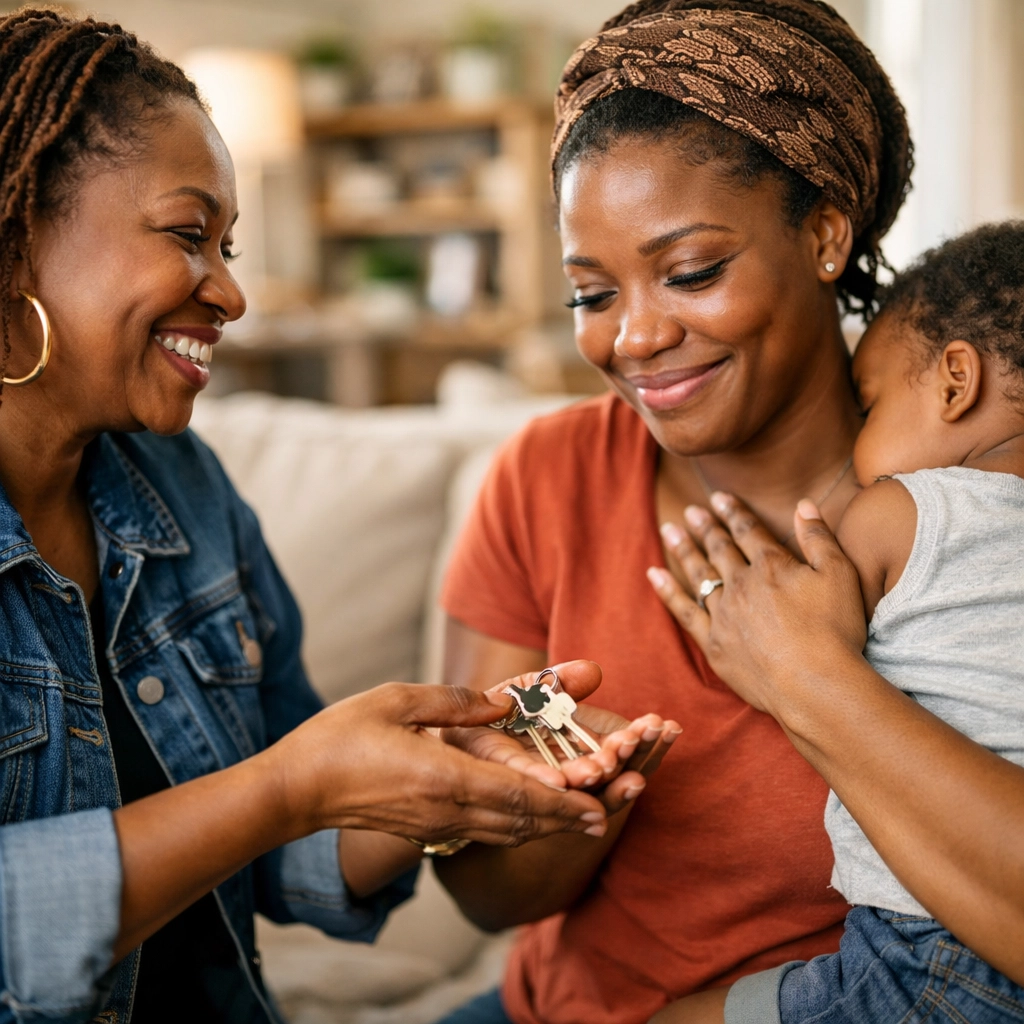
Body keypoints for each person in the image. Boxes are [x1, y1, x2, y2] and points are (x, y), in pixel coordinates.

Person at [0, 11, 682, 1023]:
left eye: (227, 246)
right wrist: (289, 787)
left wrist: (443, 775)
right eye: (188, 235)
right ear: (17, 237)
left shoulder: (183, 491)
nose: (230, 292)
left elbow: (284, 845)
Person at [430, 1, 1008, 1022]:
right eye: (589, 295)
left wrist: (803, 675)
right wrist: (570, 798)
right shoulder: (545, 477)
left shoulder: (969, 512)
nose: (633, 337)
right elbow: (481, 895)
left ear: (826, 232)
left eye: (691, 272)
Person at [650, 222, 1024, 1021]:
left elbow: (796, 619)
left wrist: (751, 615)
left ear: (956, 382)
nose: (859, 441)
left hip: (925, 958)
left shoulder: (900, 511)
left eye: (870, 404)